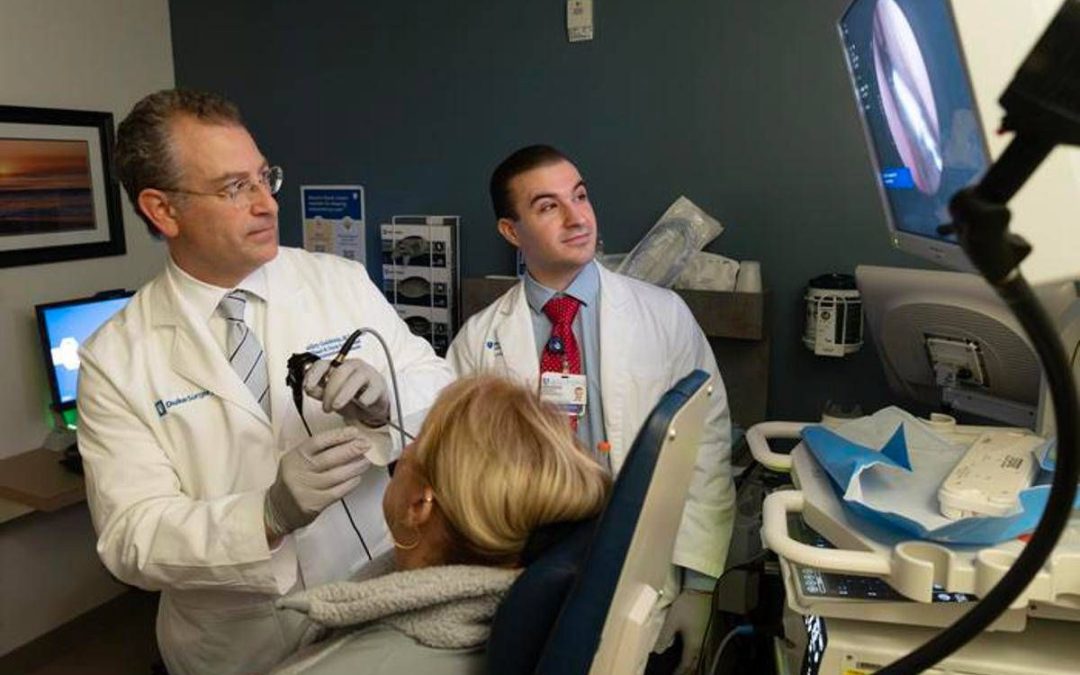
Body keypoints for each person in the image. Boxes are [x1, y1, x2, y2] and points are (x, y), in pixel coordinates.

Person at [76, 89, 454, 675]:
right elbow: (131, 537)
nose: (267, 204)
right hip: (236, 644)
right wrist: (265, 517)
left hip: (377, 595)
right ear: (163, 210)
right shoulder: (115, 357)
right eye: (234, 188)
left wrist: (387, 403)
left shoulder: (339, 282)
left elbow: (441, 387)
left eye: (264, 177)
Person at [447, 144, 736, 673]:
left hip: (638, 560)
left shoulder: (664, 317)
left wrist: (699, 584)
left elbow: (707, 443)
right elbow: (461, 472)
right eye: (548, 206)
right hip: (526, 568)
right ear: (511, 231)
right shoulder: (477, 341)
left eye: (579, 196)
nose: (577, 217)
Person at [271, 374, 611, 674]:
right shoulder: (536, 622)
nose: (404, 448)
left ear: (419, 504)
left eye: (418, 439)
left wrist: (270, 514)